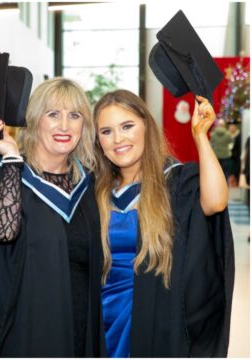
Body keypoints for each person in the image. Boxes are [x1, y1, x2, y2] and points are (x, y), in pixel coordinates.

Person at [0, 77, 105, 357]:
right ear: (35, 119)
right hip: (23, 326)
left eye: (74, 115)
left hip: (79, 321)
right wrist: (12, 157)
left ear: (84, 125)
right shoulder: (3, 170)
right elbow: (3, 232)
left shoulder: (88, 181)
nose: (64, 125)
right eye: (53, 114)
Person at [93, 90, 234, 357]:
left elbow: (215, 202)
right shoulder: (95, 191)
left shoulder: (175, 181)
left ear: (146, 125)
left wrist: (200, 136)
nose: (118, 139)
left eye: (127, 126)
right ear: (98, 140)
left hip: (157, 316)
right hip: (101, 318)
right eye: (106, 131)